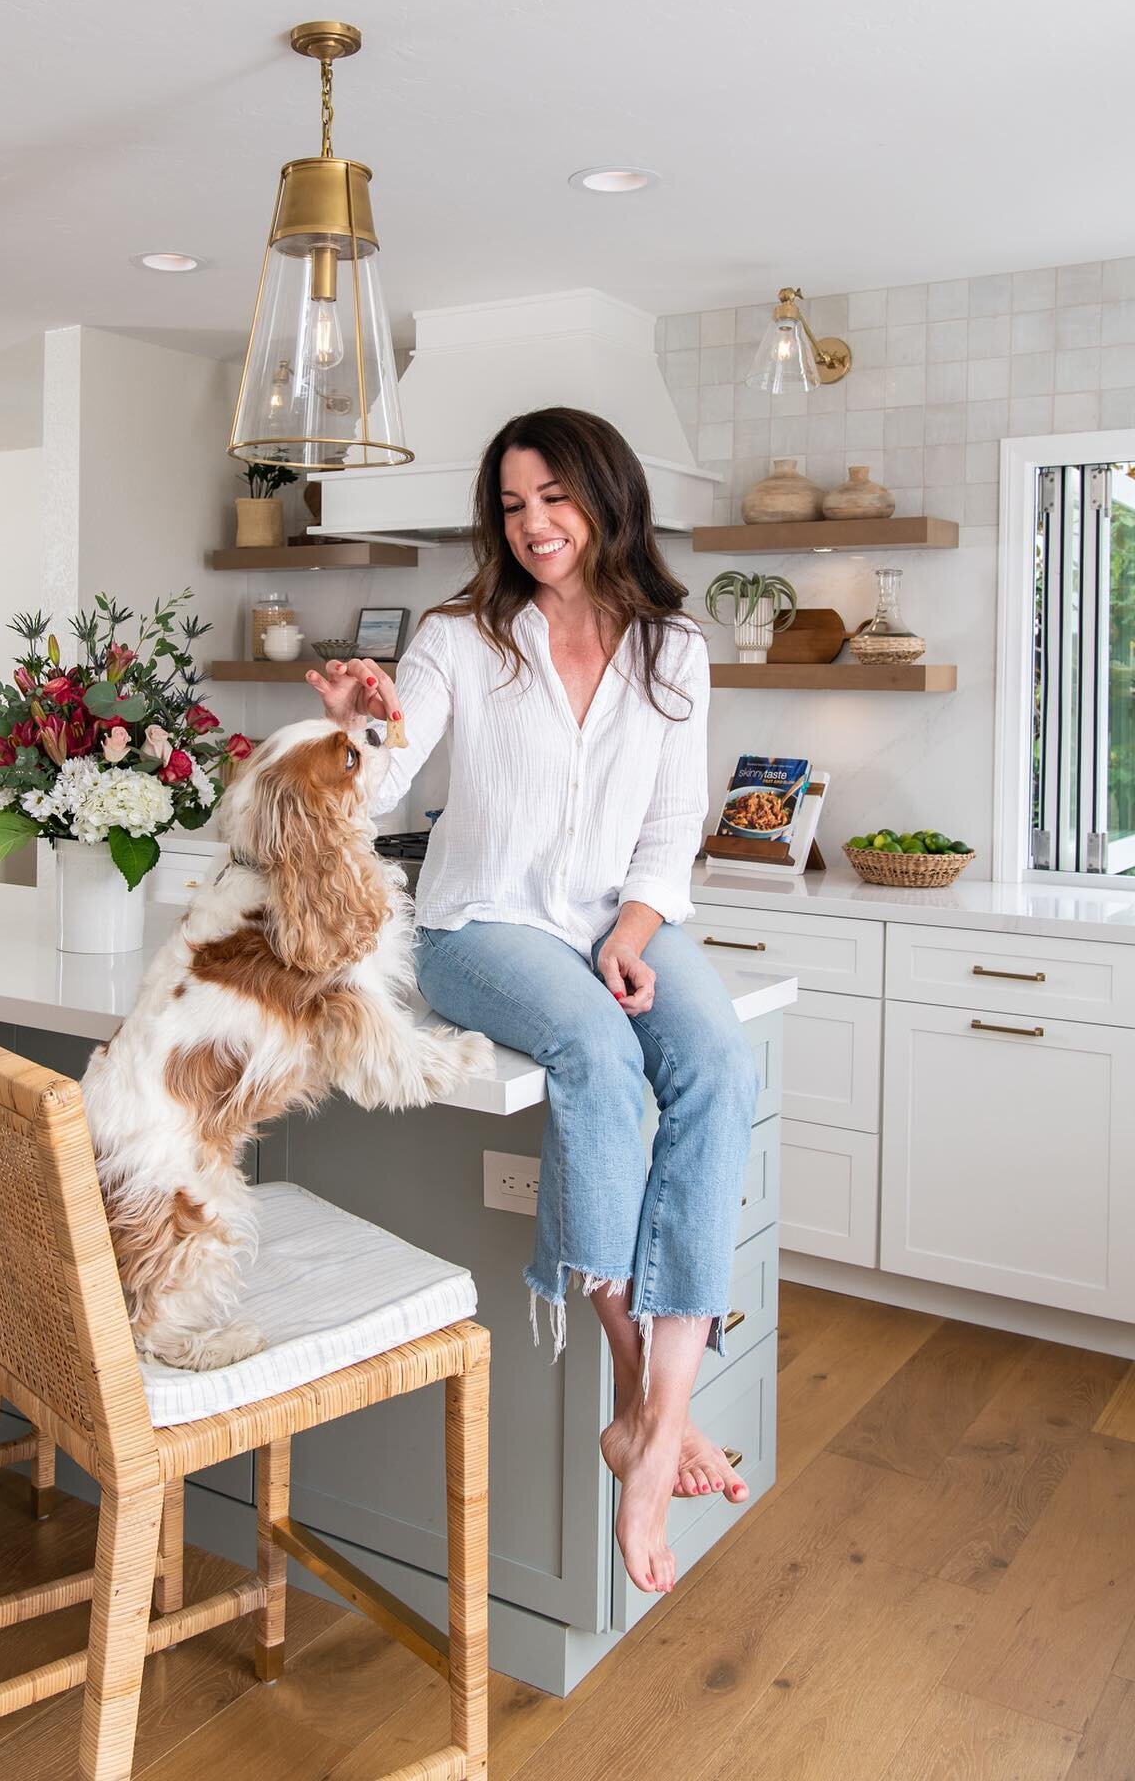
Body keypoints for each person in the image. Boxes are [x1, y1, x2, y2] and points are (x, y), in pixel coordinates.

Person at [305, 405, 760, 1596]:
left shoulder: (674, 651)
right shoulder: (463, 636)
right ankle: (646, 1399)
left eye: (553, 497)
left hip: (621, 915)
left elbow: (672, 831)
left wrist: (635, 931)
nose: (535, 524)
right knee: (600, 1059)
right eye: (513, 505)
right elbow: (388, 769)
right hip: (481, 927)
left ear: (606, 497)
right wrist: (361, 720)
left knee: (719, 1061)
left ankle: (651, 1424)